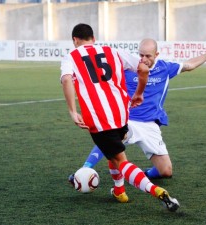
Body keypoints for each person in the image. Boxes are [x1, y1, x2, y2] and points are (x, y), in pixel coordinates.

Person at [61, 23, 179, 212]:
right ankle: (119, 191)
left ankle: (159, 192)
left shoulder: (71, 56)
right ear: (94, 38)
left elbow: (67, 79)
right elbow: (143, 69)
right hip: (121, 114)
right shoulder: (113, 51)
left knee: (122, 162)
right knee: (114, 154)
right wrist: (139, 93)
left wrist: (72, 111)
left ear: (75, 40)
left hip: (98, 118)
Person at [75, 36, 206, 179]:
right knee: (111, 137)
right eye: (141, 55)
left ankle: (142, 174)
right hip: (128, 120)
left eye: (148, 56)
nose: (144, 60)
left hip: (150, 125)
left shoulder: (165, 68)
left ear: (156, 54)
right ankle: (84, 169)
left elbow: (189, 65)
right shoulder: (128, 68)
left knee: (165, 171)